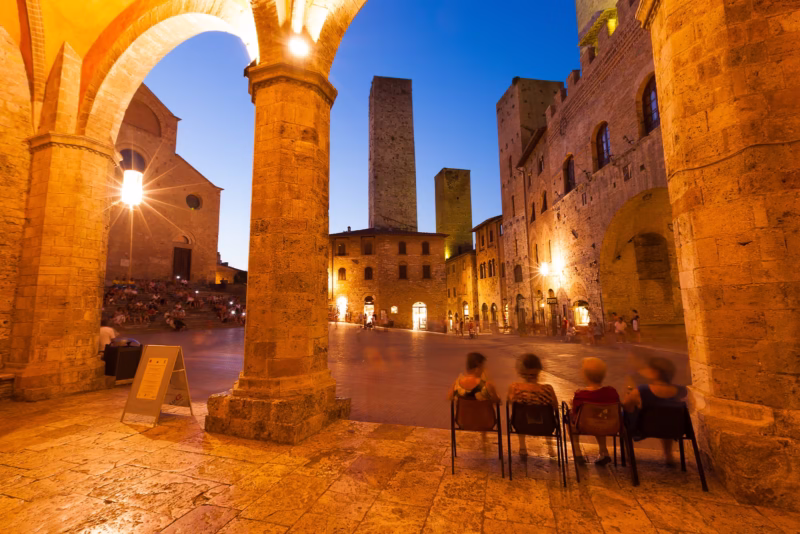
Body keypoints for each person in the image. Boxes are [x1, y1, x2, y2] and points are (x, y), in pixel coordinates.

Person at [623, 356, 687, 466]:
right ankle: (668, 455)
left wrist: (629, 397)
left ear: (655, 372)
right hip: (674, 428)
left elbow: (626, 406)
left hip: (645, 428)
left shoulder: (642, 390)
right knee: (667, 416)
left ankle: (628, 453)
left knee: (623, 415)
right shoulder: (681, 391)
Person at [569, 357, 620, 465]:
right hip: (608, 425)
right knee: (600, 416)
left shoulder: (581, 394)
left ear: (585, 376)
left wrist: (572, 405)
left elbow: (575, 412)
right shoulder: (612, 392)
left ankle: (577, 453)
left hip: (586, 426)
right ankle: (603, 451)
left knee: (569, 419)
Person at [507, 353, 558, 456]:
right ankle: (550, 447)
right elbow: (555, 406)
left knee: (520, 416)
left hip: (522, 426)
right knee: (546, 417)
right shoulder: (548, 389)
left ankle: (522, 447)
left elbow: (510, 401)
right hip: (545, 427)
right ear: (539, 370)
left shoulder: (515, 388)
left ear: (521, 371)